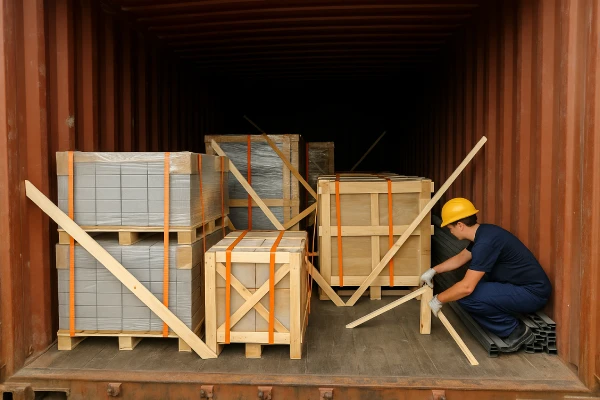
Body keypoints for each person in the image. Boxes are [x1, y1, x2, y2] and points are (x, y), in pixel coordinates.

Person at [419, 198, 552, 352]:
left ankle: (515, 331)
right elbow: (462, 257)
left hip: (532, 293)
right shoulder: (484, 233)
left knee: (466, 297)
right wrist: (433, 271)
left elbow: (466, 288)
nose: (450, 231)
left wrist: (438, 299)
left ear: (460, 225)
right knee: (468, 290)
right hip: (518, 287)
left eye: (450, 228)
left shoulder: (485, 243)